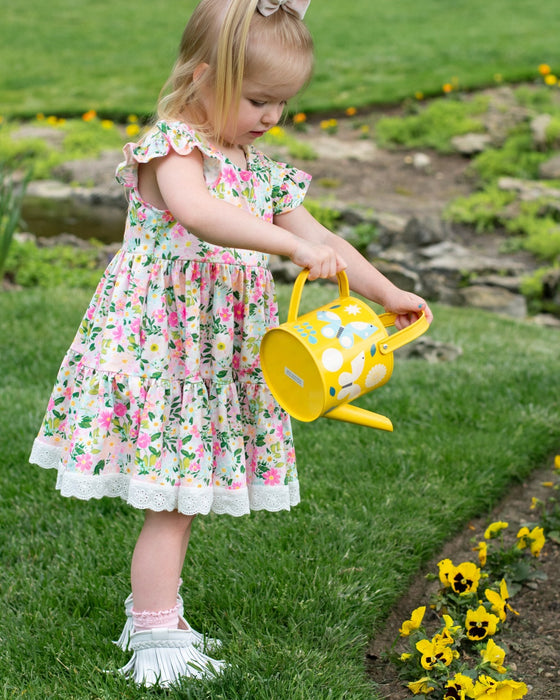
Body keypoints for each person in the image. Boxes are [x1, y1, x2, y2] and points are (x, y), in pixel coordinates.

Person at [29, 0, 433, 688]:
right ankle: (153, 628)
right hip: (167, 350)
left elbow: (327, 241)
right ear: (204, 75)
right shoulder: (175, 148)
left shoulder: (255, 164)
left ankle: (160, 613)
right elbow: (201, 214)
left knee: (185, 494)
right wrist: (289, 244)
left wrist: (385, 291)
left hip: (214, 356)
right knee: (173, 497)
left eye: (282, 103)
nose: (271, 117)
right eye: (257, 99)